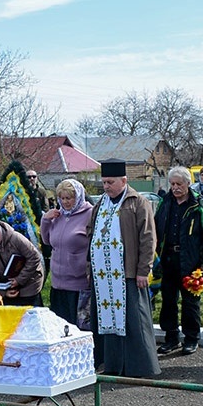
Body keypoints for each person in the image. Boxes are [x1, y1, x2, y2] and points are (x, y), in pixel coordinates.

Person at [89, 159, 159, 377]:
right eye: (104, 182)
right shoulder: (100, 203)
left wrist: (143, 270)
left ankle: (140, 366)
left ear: (123, 180)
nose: (106, 186)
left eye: (110, 182)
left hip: (128, 273)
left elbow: (148, 239)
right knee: (106, 321)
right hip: (103, 276)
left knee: (134, 320)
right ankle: (111, 364)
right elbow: (91, 234)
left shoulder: (137, 202)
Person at [154, 166, 203, 355]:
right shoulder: (165, 203)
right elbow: (156, 230)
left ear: (188, 184)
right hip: (168, 259)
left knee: (190, 302)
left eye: (179, 184)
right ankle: (171, 337)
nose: (175, 188)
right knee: (168, 300)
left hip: (191, 260)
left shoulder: (199, 206)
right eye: (172, 184)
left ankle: (191, 338)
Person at [41, 179, 93, 327]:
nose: (65, 202)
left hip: (79, 283)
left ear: (78, 197)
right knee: (59, 327)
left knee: (78, 328)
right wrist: (46, 220)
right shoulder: (58, 215)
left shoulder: (89, 214)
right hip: (57, 283)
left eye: (69, 198)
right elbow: (47, 241)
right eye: (62, 198)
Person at [0, 216, 44, 306]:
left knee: (31, 315)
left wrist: (19, 279)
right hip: (8, 286)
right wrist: (3, 292)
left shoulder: (15, 238)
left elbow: (34, 257)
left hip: (30, 283)